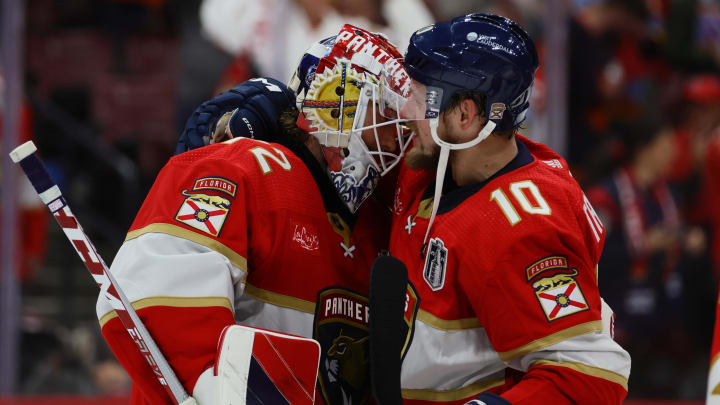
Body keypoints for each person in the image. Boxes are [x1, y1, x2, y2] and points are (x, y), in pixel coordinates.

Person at [96, 24, 415, 404]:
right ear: (337, 106)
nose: (399, 137)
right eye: (386, 115)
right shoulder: (240, 168)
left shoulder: (383, 220)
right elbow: (154, 297)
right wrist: (214, 387)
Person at [388, 14, 631, 404]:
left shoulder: (521, 225)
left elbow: (591, 375)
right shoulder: (438, 165)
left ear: (466, 116)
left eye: (421, 98)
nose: (405, 109)